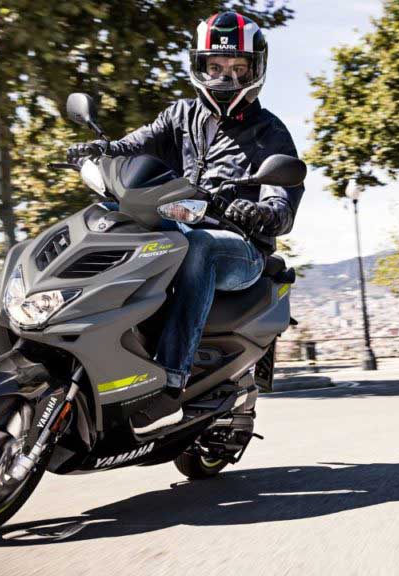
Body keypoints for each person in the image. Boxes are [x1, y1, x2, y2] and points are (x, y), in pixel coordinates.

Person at [67, 11, 304, 433]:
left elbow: (281, 205)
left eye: (236, 68)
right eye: (215, 66)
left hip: (237, 247)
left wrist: (260, 212)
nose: (224, 77)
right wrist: (97, 150)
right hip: (175, 223)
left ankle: (170, 385)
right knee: (111, 222)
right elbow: (130, 146)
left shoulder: (270, 133)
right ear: (200, 65)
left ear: (255, 69)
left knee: (199, 247)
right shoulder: (179, 115)